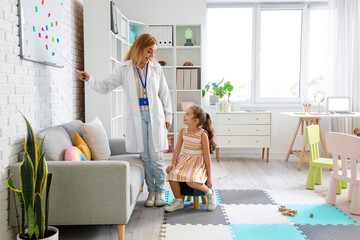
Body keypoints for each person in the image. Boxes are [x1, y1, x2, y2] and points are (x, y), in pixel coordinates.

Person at [76, 34, 172, 207]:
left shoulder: (156, 68)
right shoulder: (124, 68)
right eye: (149, 51)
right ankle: (151, 192)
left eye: (153, 51)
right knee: (145, 156)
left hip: (155, 115)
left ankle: (161, 191)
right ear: (139, 47)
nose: (151, 55)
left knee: (156, 154)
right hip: (136, 117)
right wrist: (90, 79)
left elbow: (164, 93)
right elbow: (105, 87)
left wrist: (169, 115)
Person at [165, 105, 217, 212]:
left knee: (191, 181)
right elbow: (177, 149)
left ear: (196, 120)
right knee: (171, 175)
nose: (184, 116)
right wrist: (173, 164)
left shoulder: (202, 134)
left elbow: (207, 157)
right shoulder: (182, 131)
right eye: (185, 113)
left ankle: (210, 193)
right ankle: (178, 201)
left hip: (197, 163)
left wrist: (209, 177)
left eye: (188, 114)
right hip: (184, 160)